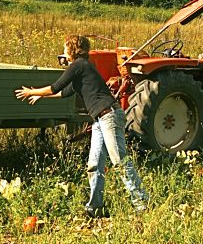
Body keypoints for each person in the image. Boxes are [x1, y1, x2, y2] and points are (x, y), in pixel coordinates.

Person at [15, 35, 148, 217]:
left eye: (64, 49)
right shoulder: (83, 69)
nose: (63, 53)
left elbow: (55, 86)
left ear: (72, 50)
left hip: (109, 115)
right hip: (99, 120)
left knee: (119, 161)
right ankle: (95, 208)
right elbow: (65, 91)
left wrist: (32, 91)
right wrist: (41, 95)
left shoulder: (79, 65)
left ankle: (142, 203)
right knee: (94, 164)